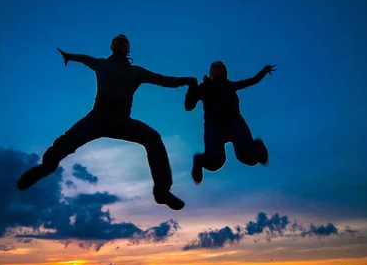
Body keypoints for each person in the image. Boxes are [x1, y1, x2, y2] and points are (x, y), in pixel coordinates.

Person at [17, 34, 197, 210]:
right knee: (67, 141)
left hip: (121, 121)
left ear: (128, 49)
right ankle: (47, 165)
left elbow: (163, 80)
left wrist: (185, 81)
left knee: (153, 138)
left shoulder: (136, 72)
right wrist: (69, 56)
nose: (119, 42)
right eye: (116, 40)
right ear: (111, 47)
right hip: (97, 117)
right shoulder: (101, 64)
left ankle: (162, 192)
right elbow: (84, 58)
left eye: (123, 41)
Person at [184, 61, 277, 184]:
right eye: (214, 67)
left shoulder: (230, 85)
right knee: (216, 162)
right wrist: (192, 89)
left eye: (220, 67)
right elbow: (189, 106)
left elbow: (251, 81)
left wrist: (263, 72)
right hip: (214, 126)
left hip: (234, 121)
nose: (217, 69)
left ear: (224, 72)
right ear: (210, 73)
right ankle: (199, 161)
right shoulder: (204, 87)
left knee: (247, 157)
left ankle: (258, 147)